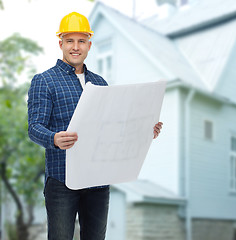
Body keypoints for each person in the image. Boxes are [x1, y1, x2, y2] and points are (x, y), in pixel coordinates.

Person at [27, 12, 163, 240]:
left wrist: (145, 131)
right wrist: (53, 138)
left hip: (98, 179)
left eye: (81, 41)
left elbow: (114, 128)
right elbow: (34, 127)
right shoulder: (45, 80)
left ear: (89, 45)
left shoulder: (100, 83)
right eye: (70, 41)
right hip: (62, 180)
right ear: (60, 43)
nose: (75, 47)